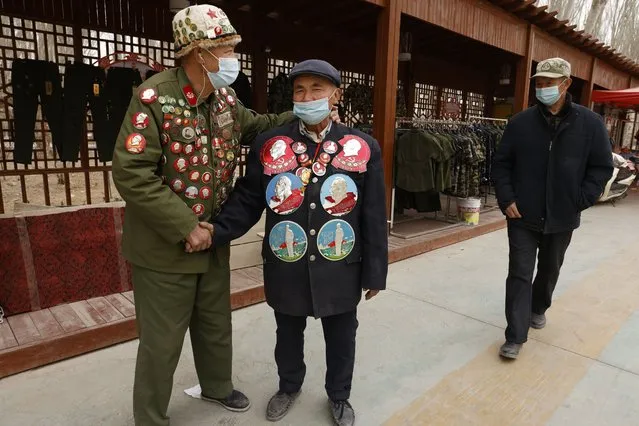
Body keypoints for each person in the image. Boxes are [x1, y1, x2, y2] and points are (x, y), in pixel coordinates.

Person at [111, 4, 310, 425]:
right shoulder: (154, 100)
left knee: (214, 324)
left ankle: (217, 387)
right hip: (164, 248)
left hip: (211, 240)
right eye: (225, 48)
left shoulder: (224, 99)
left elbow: (260, 126)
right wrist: (185, 226)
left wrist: (307, 115)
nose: (232, 57)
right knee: (162, 341)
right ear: (197, 52)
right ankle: (149, 417)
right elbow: (132, 173)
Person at [209, 59, 388, 426]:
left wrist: (375, 272)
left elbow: (372, 213)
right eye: (299, 90)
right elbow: (247, 199)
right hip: (285, 259)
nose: (307, 97)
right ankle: (289, 386)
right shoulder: (271, 144)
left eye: (316, 89)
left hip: (340, 262)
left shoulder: (362, 147)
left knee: (342, 335)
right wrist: (216, 231)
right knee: (287, 331)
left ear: (335, 95)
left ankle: (339, 396)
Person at [493, 57, 613, 360]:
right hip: (522, 214)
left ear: (566, 83)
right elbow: (502, 164)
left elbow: (601, 167)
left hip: (562, 214)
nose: (543, 87)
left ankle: (539, 307)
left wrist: (581, 198)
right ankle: (515, 336)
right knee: (519, 272)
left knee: (549, 269)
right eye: (539, 82)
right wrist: (507, 199)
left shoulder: (590, 124)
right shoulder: (520, 123)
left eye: (549, 82)